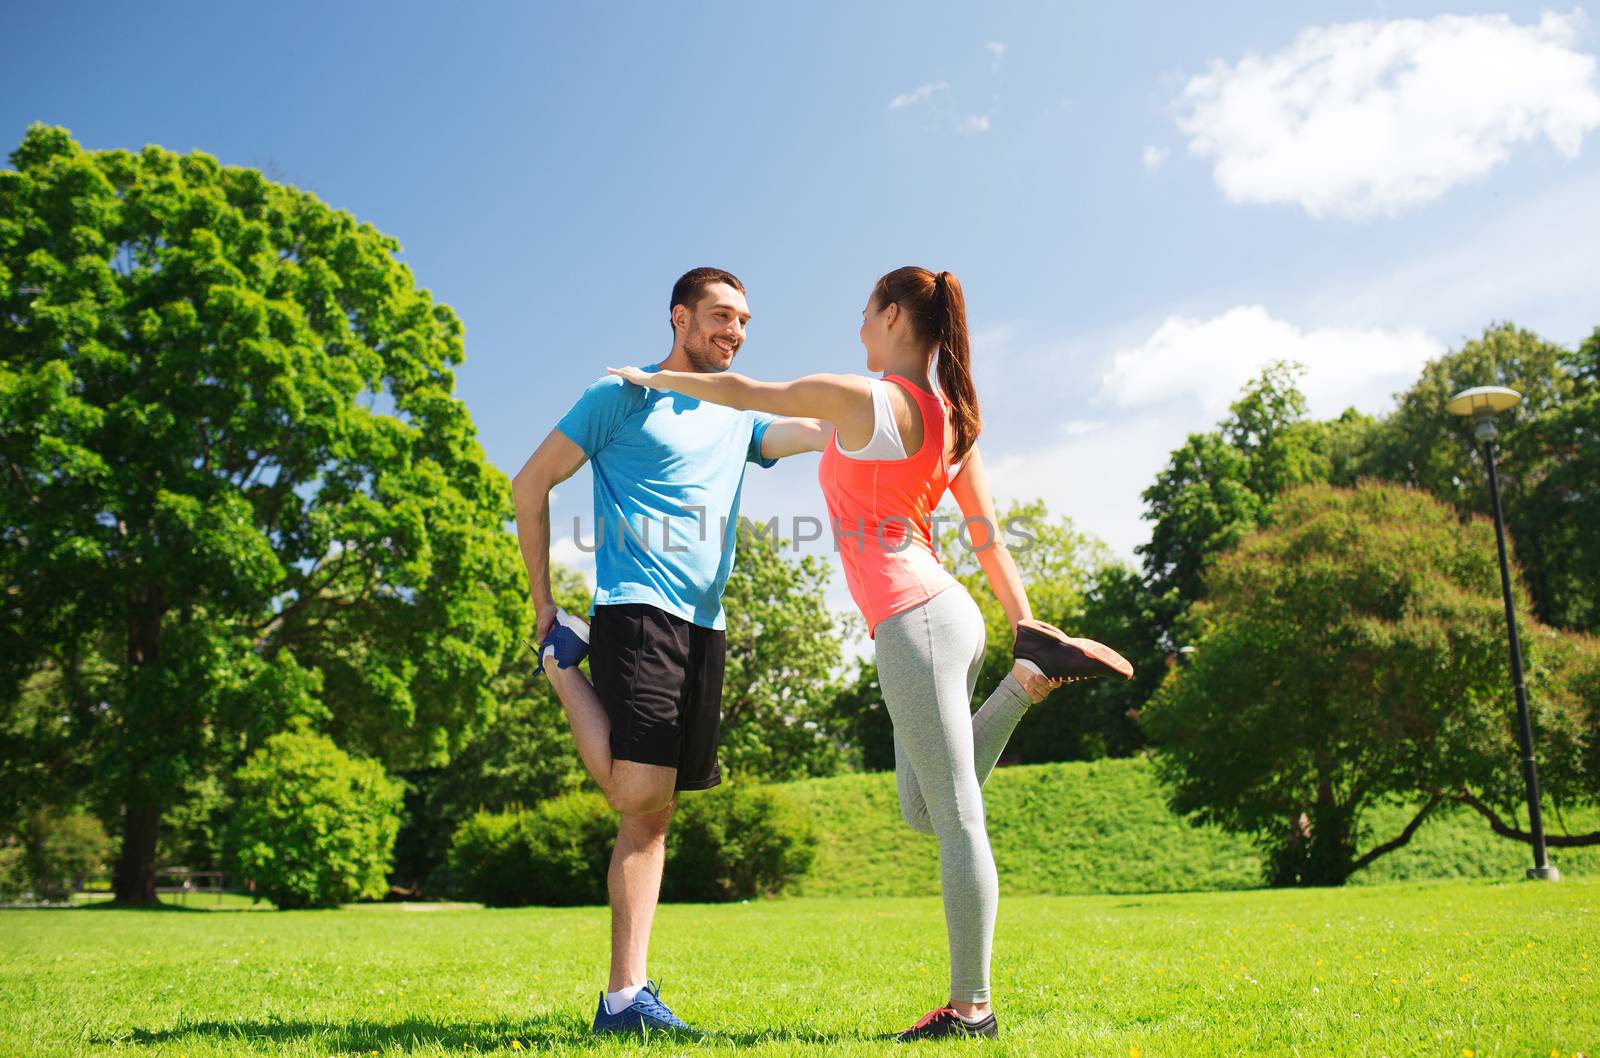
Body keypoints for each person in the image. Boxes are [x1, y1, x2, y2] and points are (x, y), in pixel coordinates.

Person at [607, 265, 1133, 1041]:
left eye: (864, 310)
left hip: (917, 619)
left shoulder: (864, 396)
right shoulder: (951, 418)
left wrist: (645, 378)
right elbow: (985, 535)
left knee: (957, 818)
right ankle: (1027, 677)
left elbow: (750, 393)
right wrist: (1026, 626)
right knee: (924, 810)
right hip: (938, 618)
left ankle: (971, 1011)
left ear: (892, 315)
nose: (857, 324)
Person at [511, 267, 828, 1036]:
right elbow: (530, 484)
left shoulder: (735, 408)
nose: (736, 331)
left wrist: (868, 408)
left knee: (654, 816)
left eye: (745, 320)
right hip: (638, 610)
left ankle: (625, 998)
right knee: (636, 796)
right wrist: (543, 600)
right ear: (679, 317)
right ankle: (562, 664)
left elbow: (800, 434)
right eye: (721, 315)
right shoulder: (619, 396)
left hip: (704, 623)